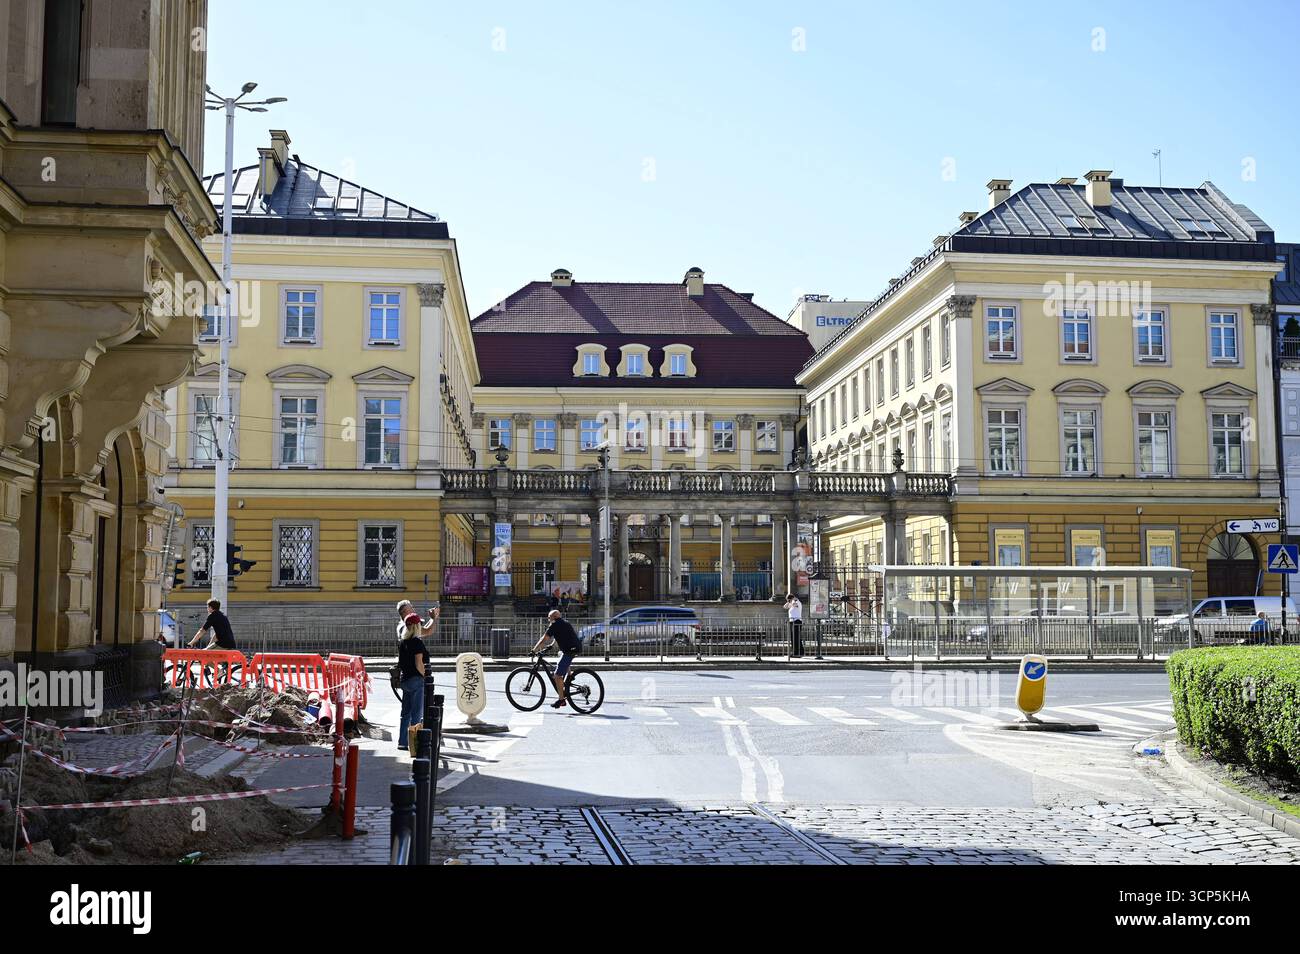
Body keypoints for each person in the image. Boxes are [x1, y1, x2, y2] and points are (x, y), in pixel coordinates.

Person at [531, 609, 581, 709]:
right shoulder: (564, 623)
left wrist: (534, 650)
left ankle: (561, 700)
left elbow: (543, 639)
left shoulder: (554, 625)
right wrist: (551, 645)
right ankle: (570, 676)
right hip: (573, 648)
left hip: (570, 650)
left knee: (557, 676)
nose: (548, 620)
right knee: (560, 656)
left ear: (553, 617)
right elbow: (560, 636)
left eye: (549, 618)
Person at [397, 612, 429, 750]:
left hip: (405, 680)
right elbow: (419, 664)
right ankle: (414, 745)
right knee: (417, 714)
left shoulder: (403, 642)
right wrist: (424, 676)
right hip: (416, 680)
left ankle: (402, 742)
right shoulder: (417, 642)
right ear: (416, 626)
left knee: (405, 713)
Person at [784, 592, 804, 657]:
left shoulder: (797, 602)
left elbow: (795, 604)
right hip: (792, 622)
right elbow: (785, 607)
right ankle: (797, 652)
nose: (788, 601)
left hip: (797, 621)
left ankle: (797, 652)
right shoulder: (791, 603)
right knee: (793, 638)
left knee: (796, 638)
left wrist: (792, 600)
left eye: (788, 600)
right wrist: (788, 602)